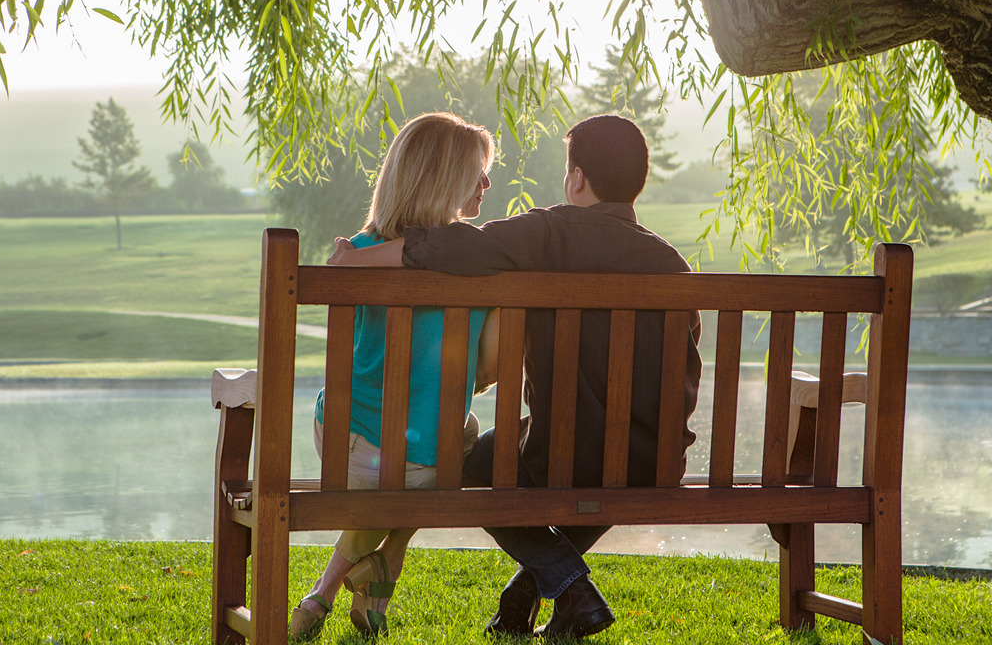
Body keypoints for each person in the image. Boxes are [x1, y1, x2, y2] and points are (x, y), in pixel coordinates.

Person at [328, 114, 703, 640]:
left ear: (576, 179)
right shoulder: (672, 264)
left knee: (477, 460)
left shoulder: (549, 233)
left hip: (565, 456)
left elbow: (453, 245)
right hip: (656, 462)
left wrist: (358, 262)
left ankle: (571, 588)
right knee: (599, 461)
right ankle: (525, 593)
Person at [290, 112, 498, 641]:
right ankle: (390, 561)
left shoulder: (356, 256)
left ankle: (321, 595)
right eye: (478, 171)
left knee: (416, 451)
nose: (487, 183)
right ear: (445, 177)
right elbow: (479, 379)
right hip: (428, 458)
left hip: (345, 445)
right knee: (458, 433)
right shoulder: (482, 261)